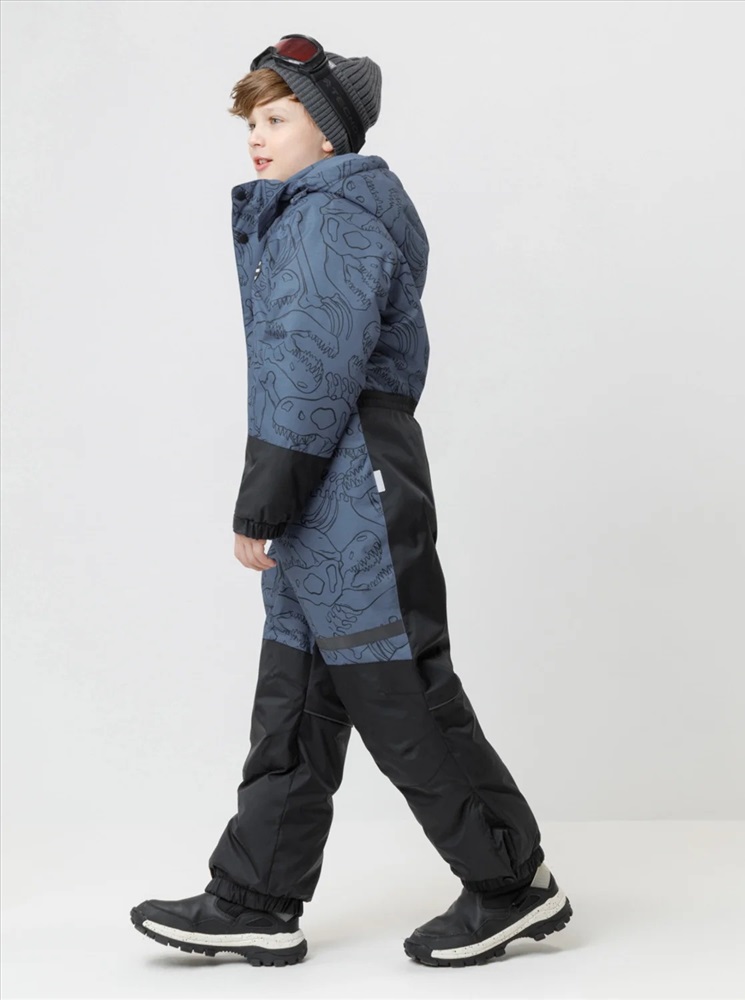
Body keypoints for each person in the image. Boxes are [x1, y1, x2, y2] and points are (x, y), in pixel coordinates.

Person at [130, 33, 573, 969]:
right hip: (324, 486)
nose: (256, 137)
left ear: (328, 133)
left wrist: (261, 505)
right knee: (295, 698)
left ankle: (511, 883)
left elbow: (312, 370)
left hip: (351, 485)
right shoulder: (308, 212)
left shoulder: (331, 216)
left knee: (400, 693)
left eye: (276, 117)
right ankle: (255, 896)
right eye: (251, 122)